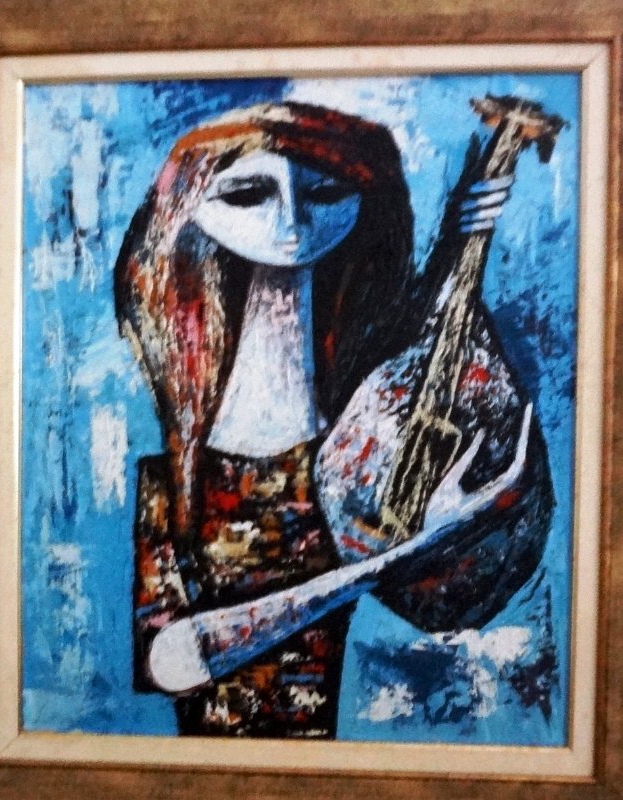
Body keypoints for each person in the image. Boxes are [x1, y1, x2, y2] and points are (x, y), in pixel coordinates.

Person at [114, 101, 553, 738]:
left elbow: (444, 601)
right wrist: (397, 556)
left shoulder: (359, 445)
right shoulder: (176, 478)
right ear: (188, 208)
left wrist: (461, 243)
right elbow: (168, 661)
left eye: (324, 193)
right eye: (248, 193)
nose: (292, 222)